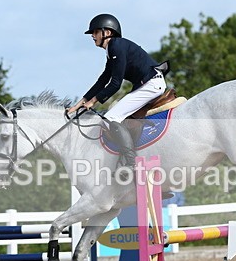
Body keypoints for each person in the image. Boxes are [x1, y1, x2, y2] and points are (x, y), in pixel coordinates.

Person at [66, 14, 167, 177]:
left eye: (95, 32)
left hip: (151, 84)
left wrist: (94, 102)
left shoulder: (116, 46)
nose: (92, 36)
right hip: (148, 84)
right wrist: (79, 104)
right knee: (118, 117)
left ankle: (131, 164)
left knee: (111, 117)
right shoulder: (112, 50)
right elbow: (103, 80)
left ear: (107, 32)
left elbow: (115, 83)